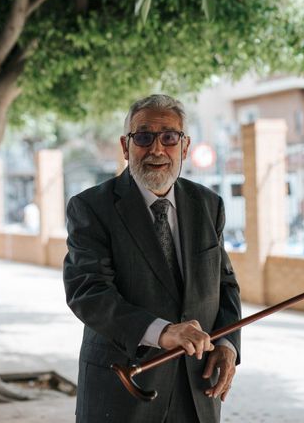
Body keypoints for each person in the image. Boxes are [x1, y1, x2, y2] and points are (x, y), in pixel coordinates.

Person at [63, 95, 242, 423]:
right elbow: (88, 293)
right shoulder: (90, 207)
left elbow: (225, 284)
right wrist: (163, 332)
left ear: (184, 147)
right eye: (143, 137)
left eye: (169, 137)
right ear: (125, 145)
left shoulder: (208, 205)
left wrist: (227, 343)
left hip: (197, 393)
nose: (157, 149)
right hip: (123, 392)